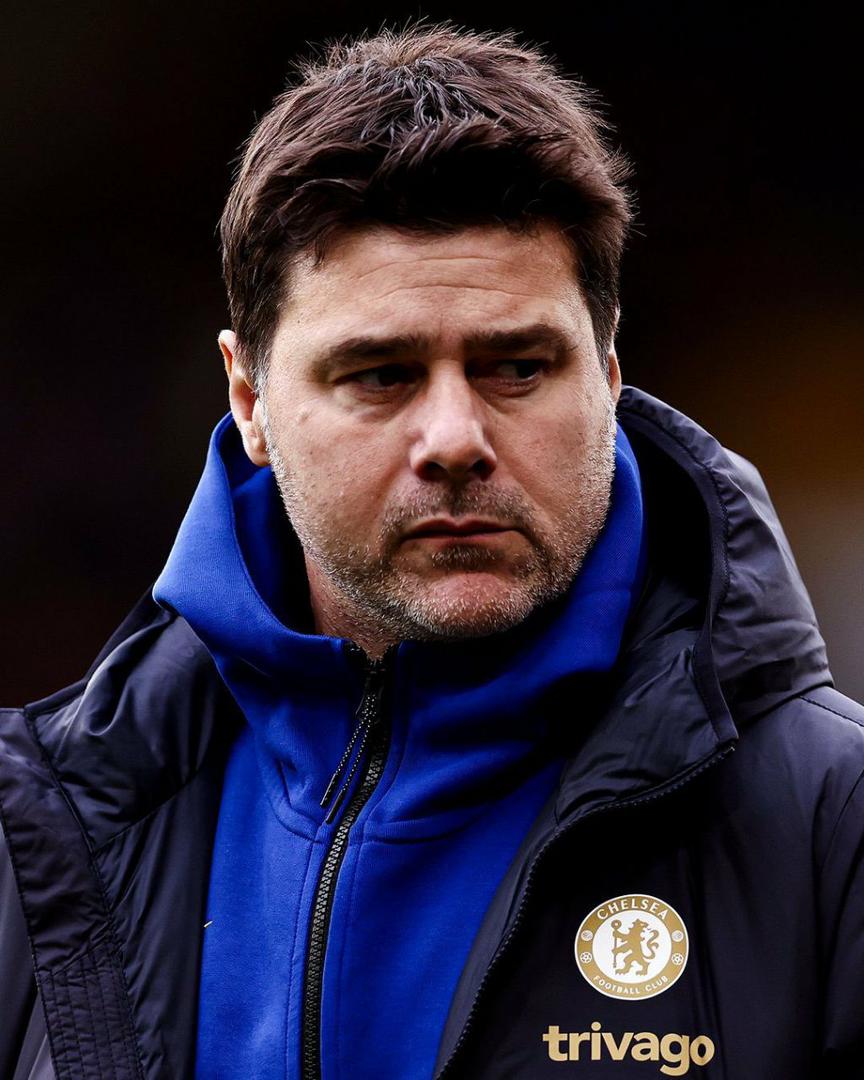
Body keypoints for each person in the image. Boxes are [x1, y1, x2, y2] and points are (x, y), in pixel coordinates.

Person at [1, 20, 862, 1080]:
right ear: (250, 401)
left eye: (517, 367)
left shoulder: (833, 824)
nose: (454, 438)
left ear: (608, 376)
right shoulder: (37, 835)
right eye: (380, 375)